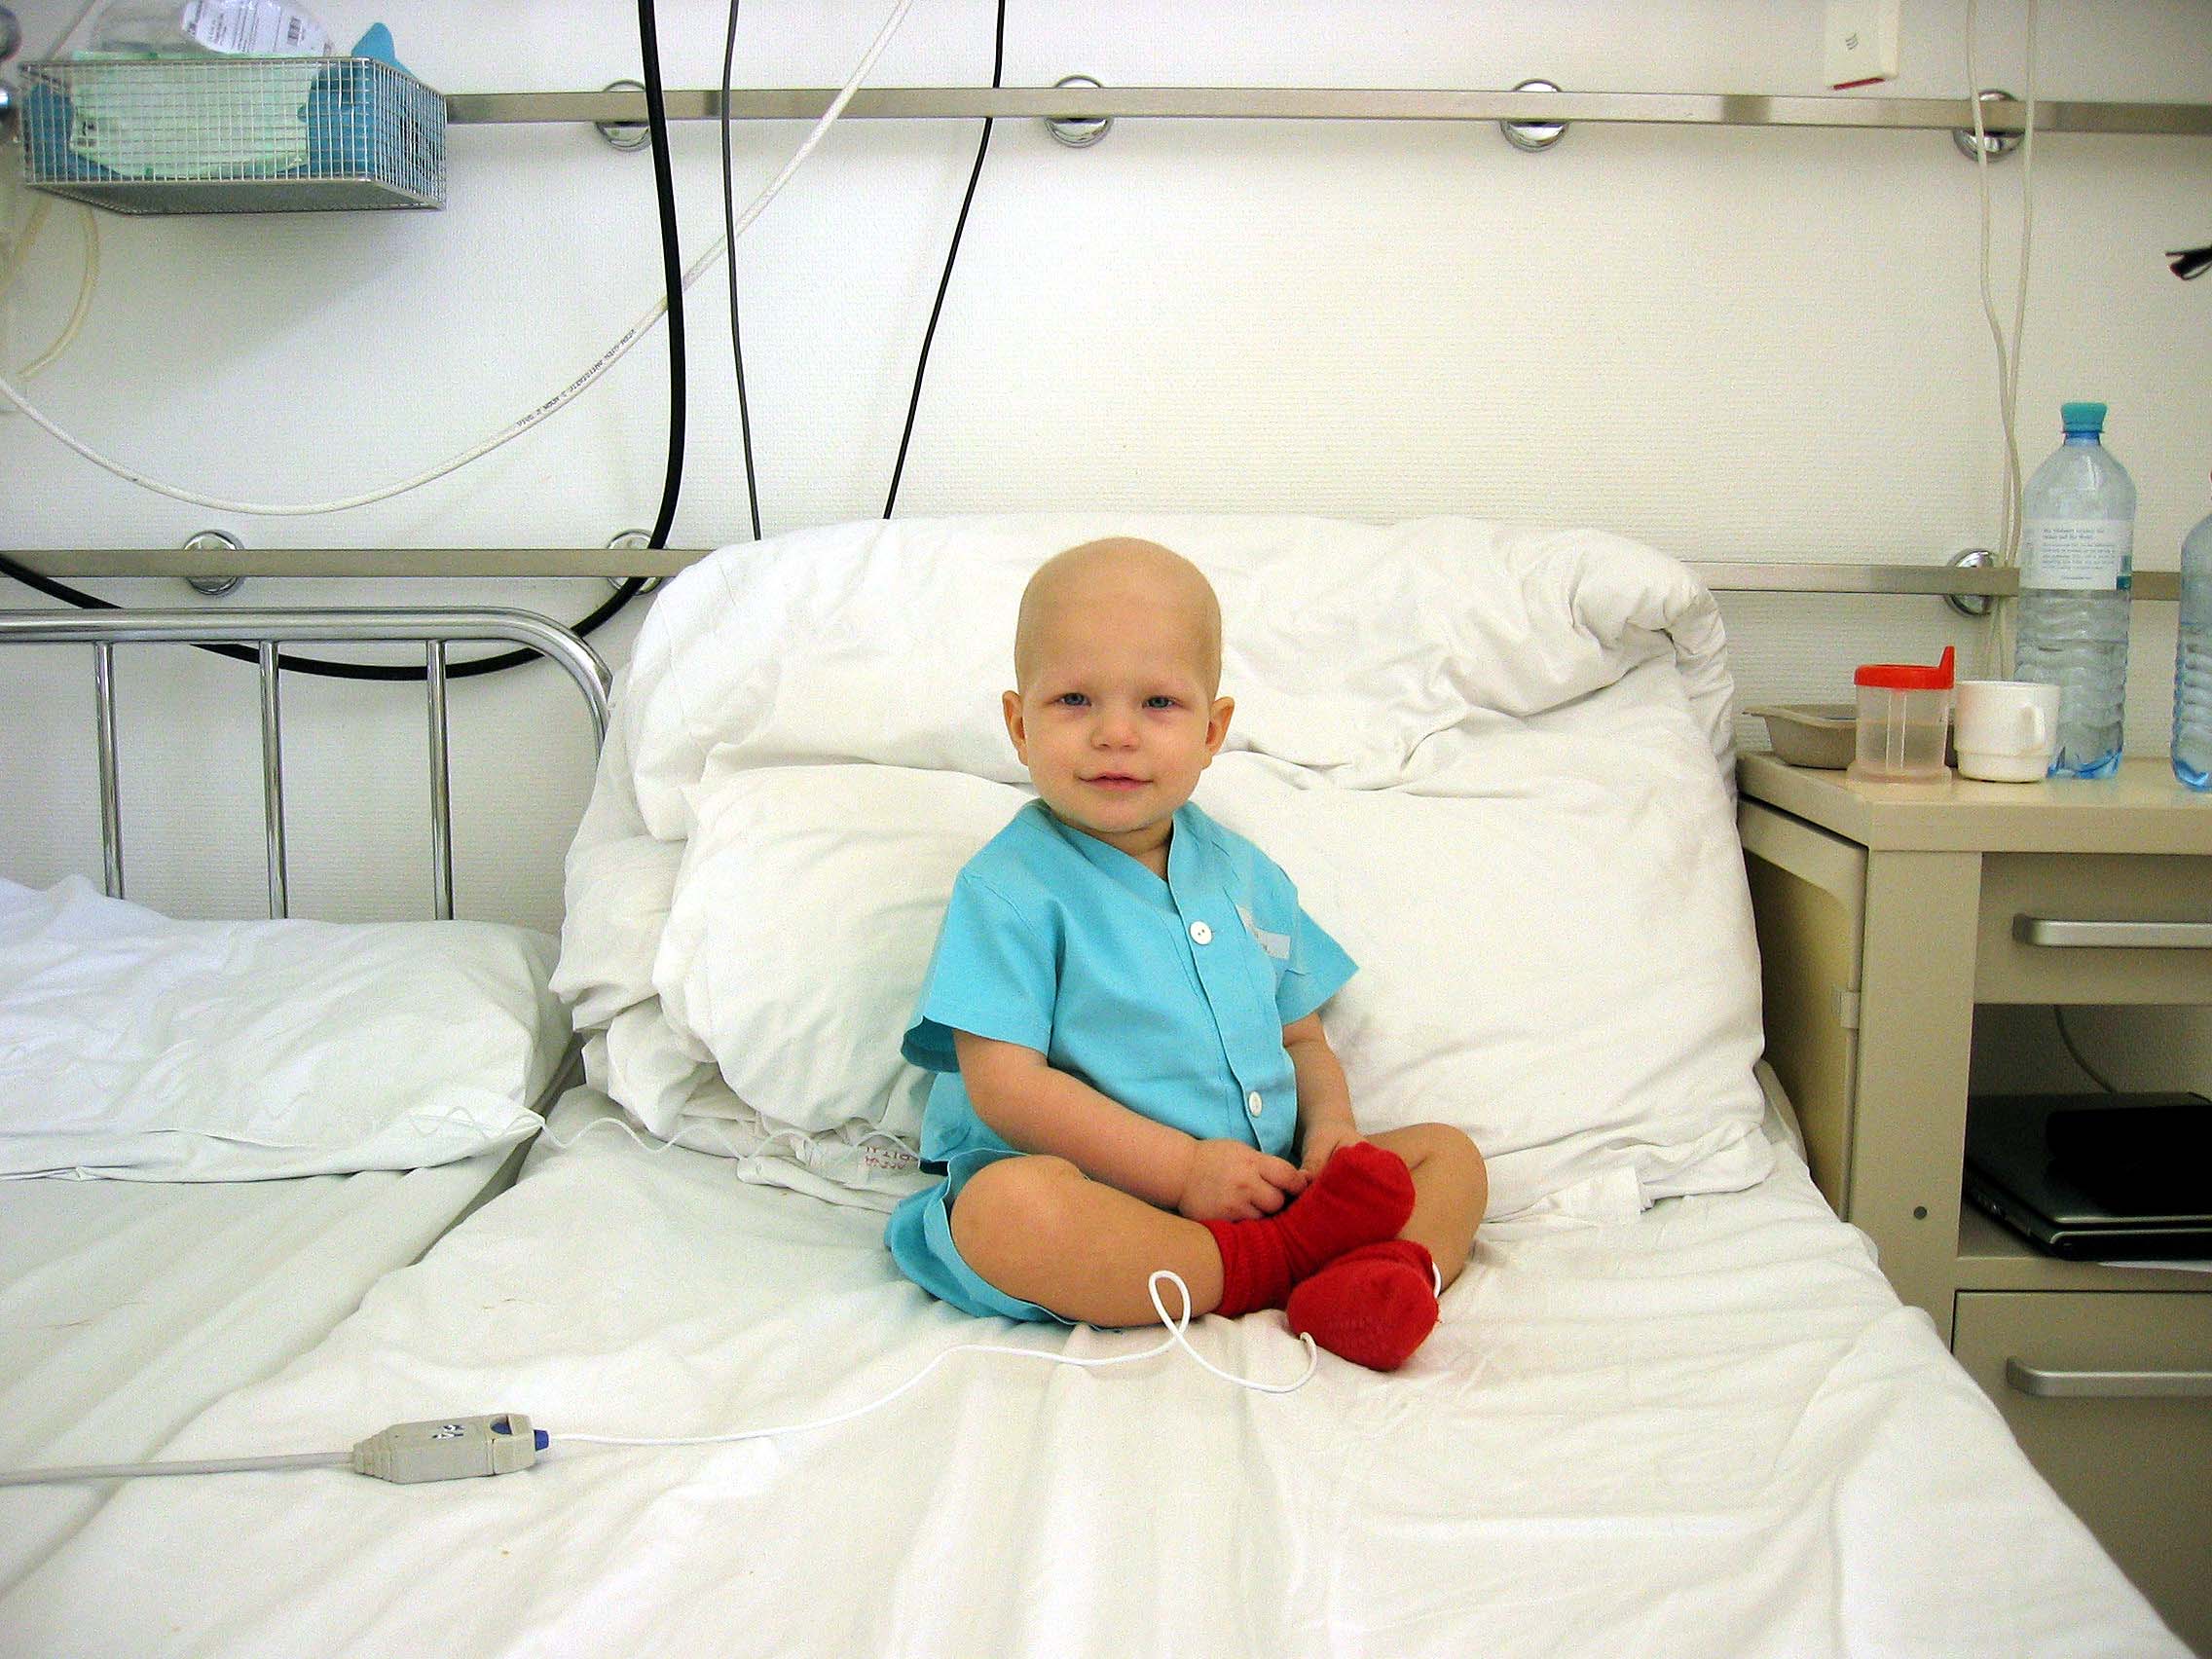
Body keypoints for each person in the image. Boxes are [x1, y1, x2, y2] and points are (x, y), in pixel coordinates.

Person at [885, 537, 1488, 1370]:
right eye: (1074, 700)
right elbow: (1006, 1088)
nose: (1116, 734)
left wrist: (1333, 1135)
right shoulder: (1008, 889)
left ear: (1213, 730)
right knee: (1003, 1215)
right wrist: (1181, 1172)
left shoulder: (1247, 874)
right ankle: (1263, 1270)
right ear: (1020, 726)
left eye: (1159, 703)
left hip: (1272, 1185)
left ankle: (1380, 1275)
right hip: (1108, 1205)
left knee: (1450, 1157)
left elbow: (1302, 1039)